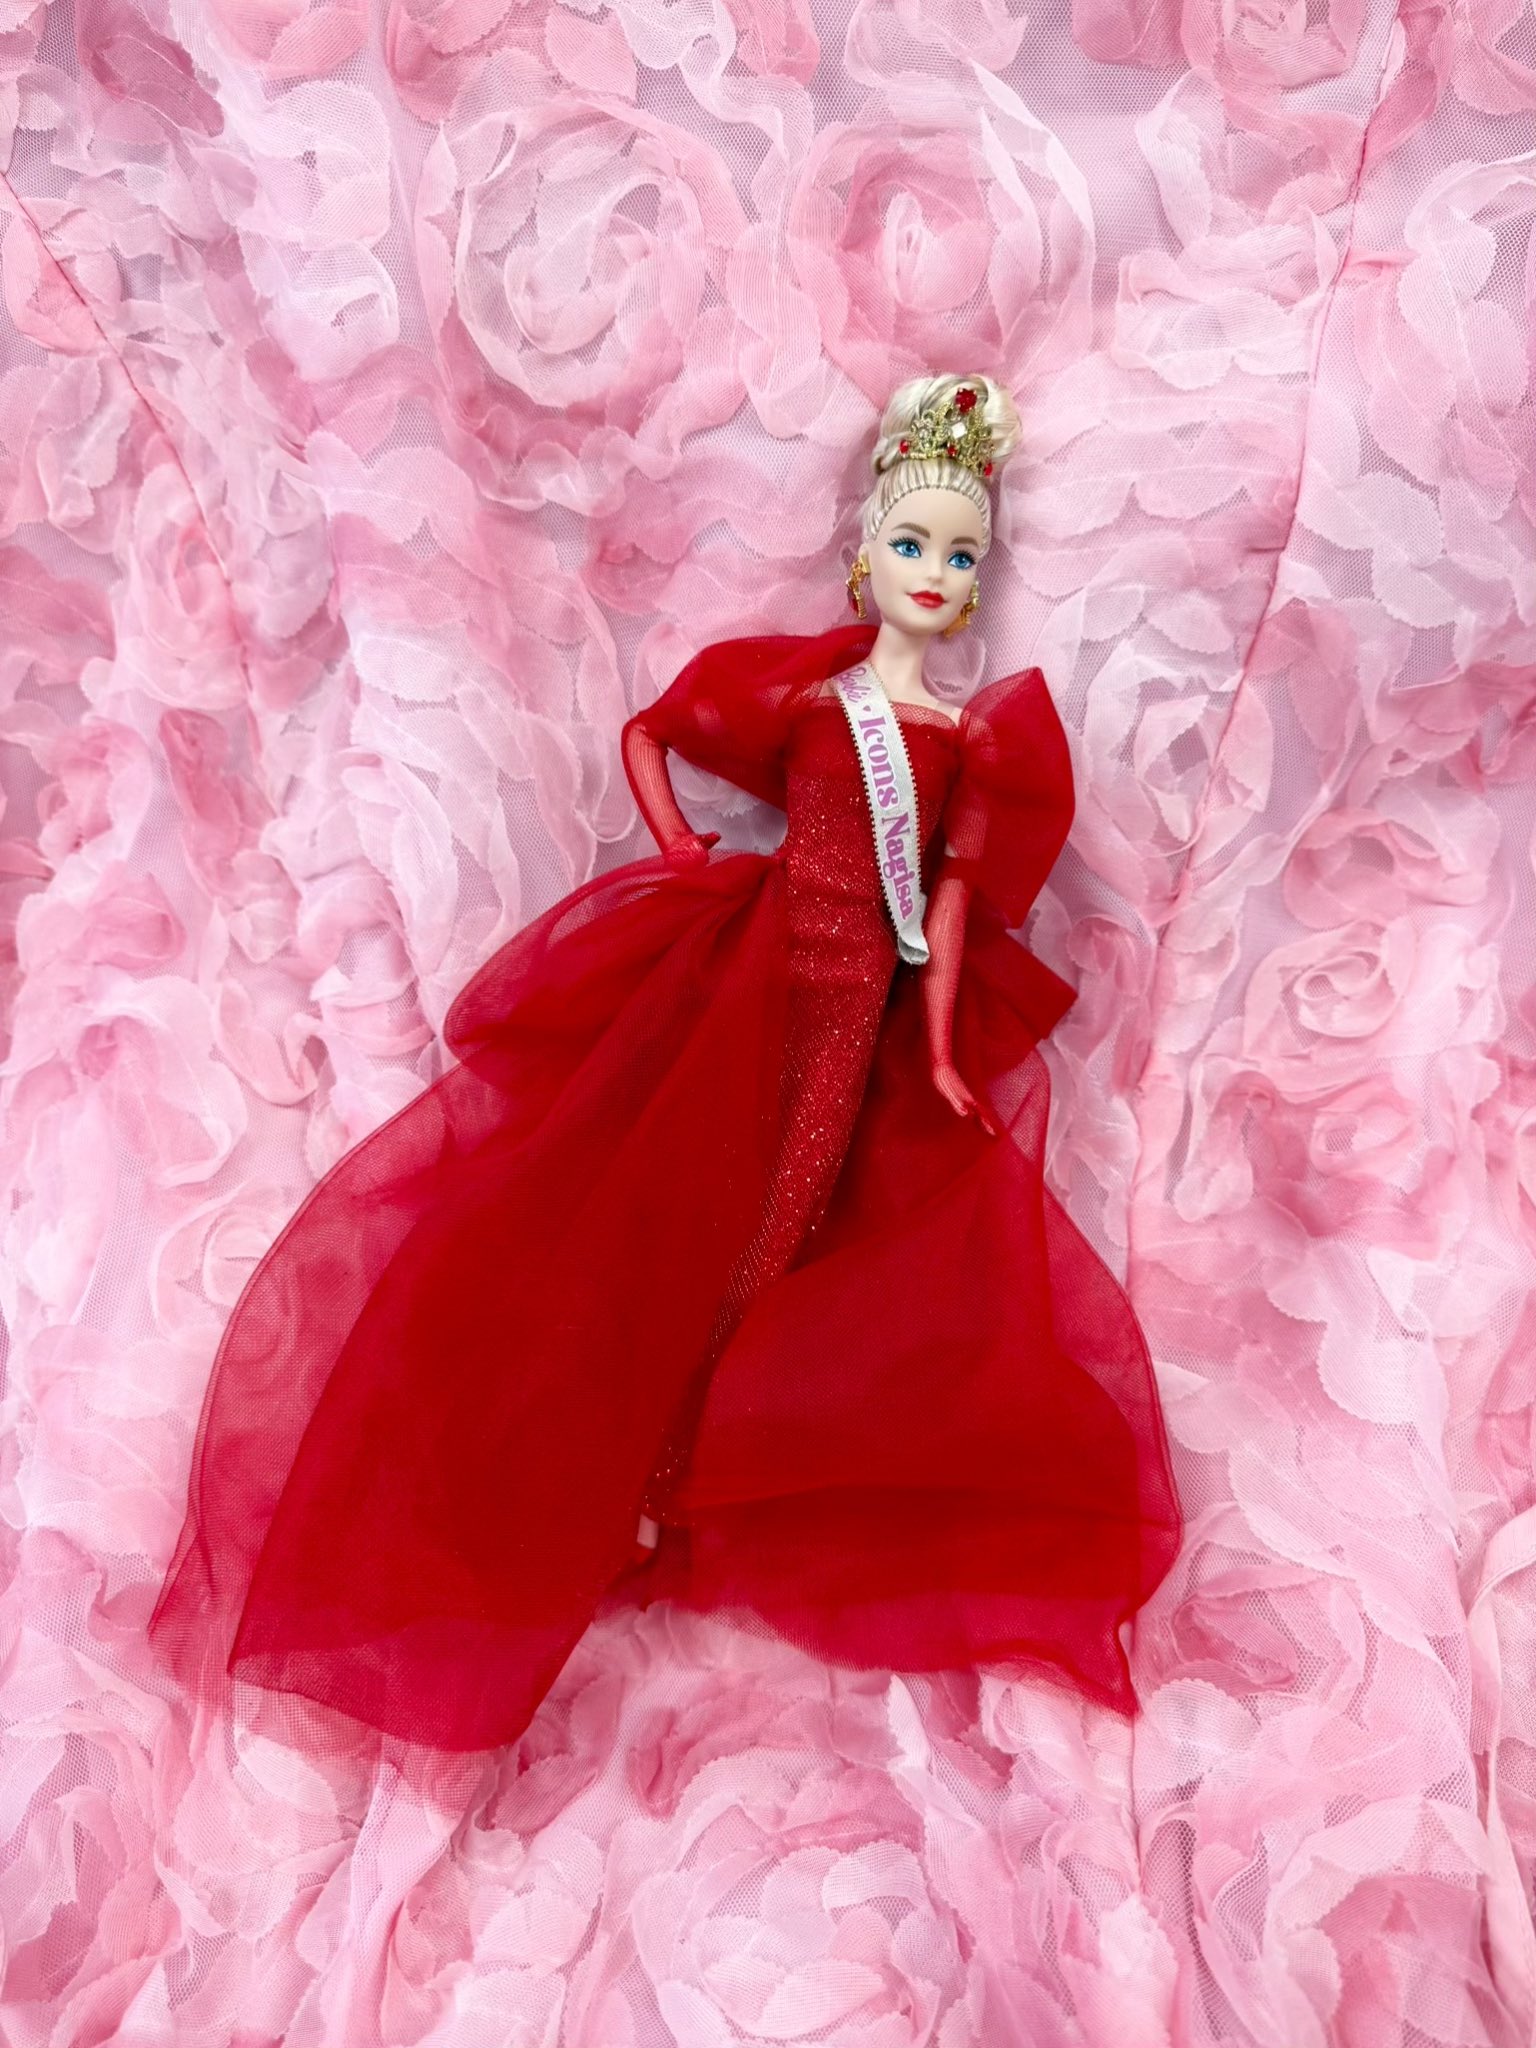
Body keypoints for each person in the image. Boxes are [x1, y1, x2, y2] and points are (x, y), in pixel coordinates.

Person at [149, 374, 1181, 1752]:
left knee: (787, 1238)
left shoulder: (962, 743)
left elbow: (943, 912)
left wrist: (938, 1052)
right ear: (867, 558)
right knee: (665, 1210)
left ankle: (681, 1477)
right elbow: (653, 732)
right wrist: (684, 850)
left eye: (959, 554)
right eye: (914, 544)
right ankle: (612, 1466)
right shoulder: (808, 694)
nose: (935, 572)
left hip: (858, 1019)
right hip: (744, 983)